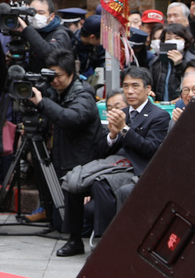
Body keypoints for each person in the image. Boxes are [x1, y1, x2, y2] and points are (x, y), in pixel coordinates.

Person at [58, 66, 170, 256]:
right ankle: (74, 239)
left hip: (136, 167)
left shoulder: (158, 115)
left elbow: (150, 149)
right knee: (73, 180)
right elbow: (100, 150)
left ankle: (105, 242)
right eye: (126, 86)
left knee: (100, 184)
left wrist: (124, 129)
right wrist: (111, 134)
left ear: (148, 88)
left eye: (135, 86)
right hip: (112, 163)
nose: (130, 91)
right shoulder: (122, 111)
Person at [26, 49, 102, 225]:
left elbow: (70, 118)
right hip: (64, 159)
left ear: (72, 74)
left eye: (58, 75)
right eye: (51, 75)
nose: (54, 80)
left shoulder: (83, 95)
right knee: (60, 222)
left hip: (80, 164)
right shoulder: (56, 92)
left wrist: (42, 103)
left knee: (69, 221)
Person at [11, 0, 73, 74]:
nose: (35, 16)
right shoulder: (31, 31)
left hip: (53, 81)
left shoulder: (61, 33)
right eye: (32, 13)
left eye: (41, 13)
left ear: (51, 16)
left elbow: (49, 53)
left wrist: (26, 30)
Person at [149, 23, 195, 102]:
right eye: (169, 38)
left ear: (185, 41)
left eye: (177, 38)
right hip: (161, 105)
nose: (173, 41)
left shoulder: (190, 60)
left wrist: (179, 65)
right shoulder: (156, 62)